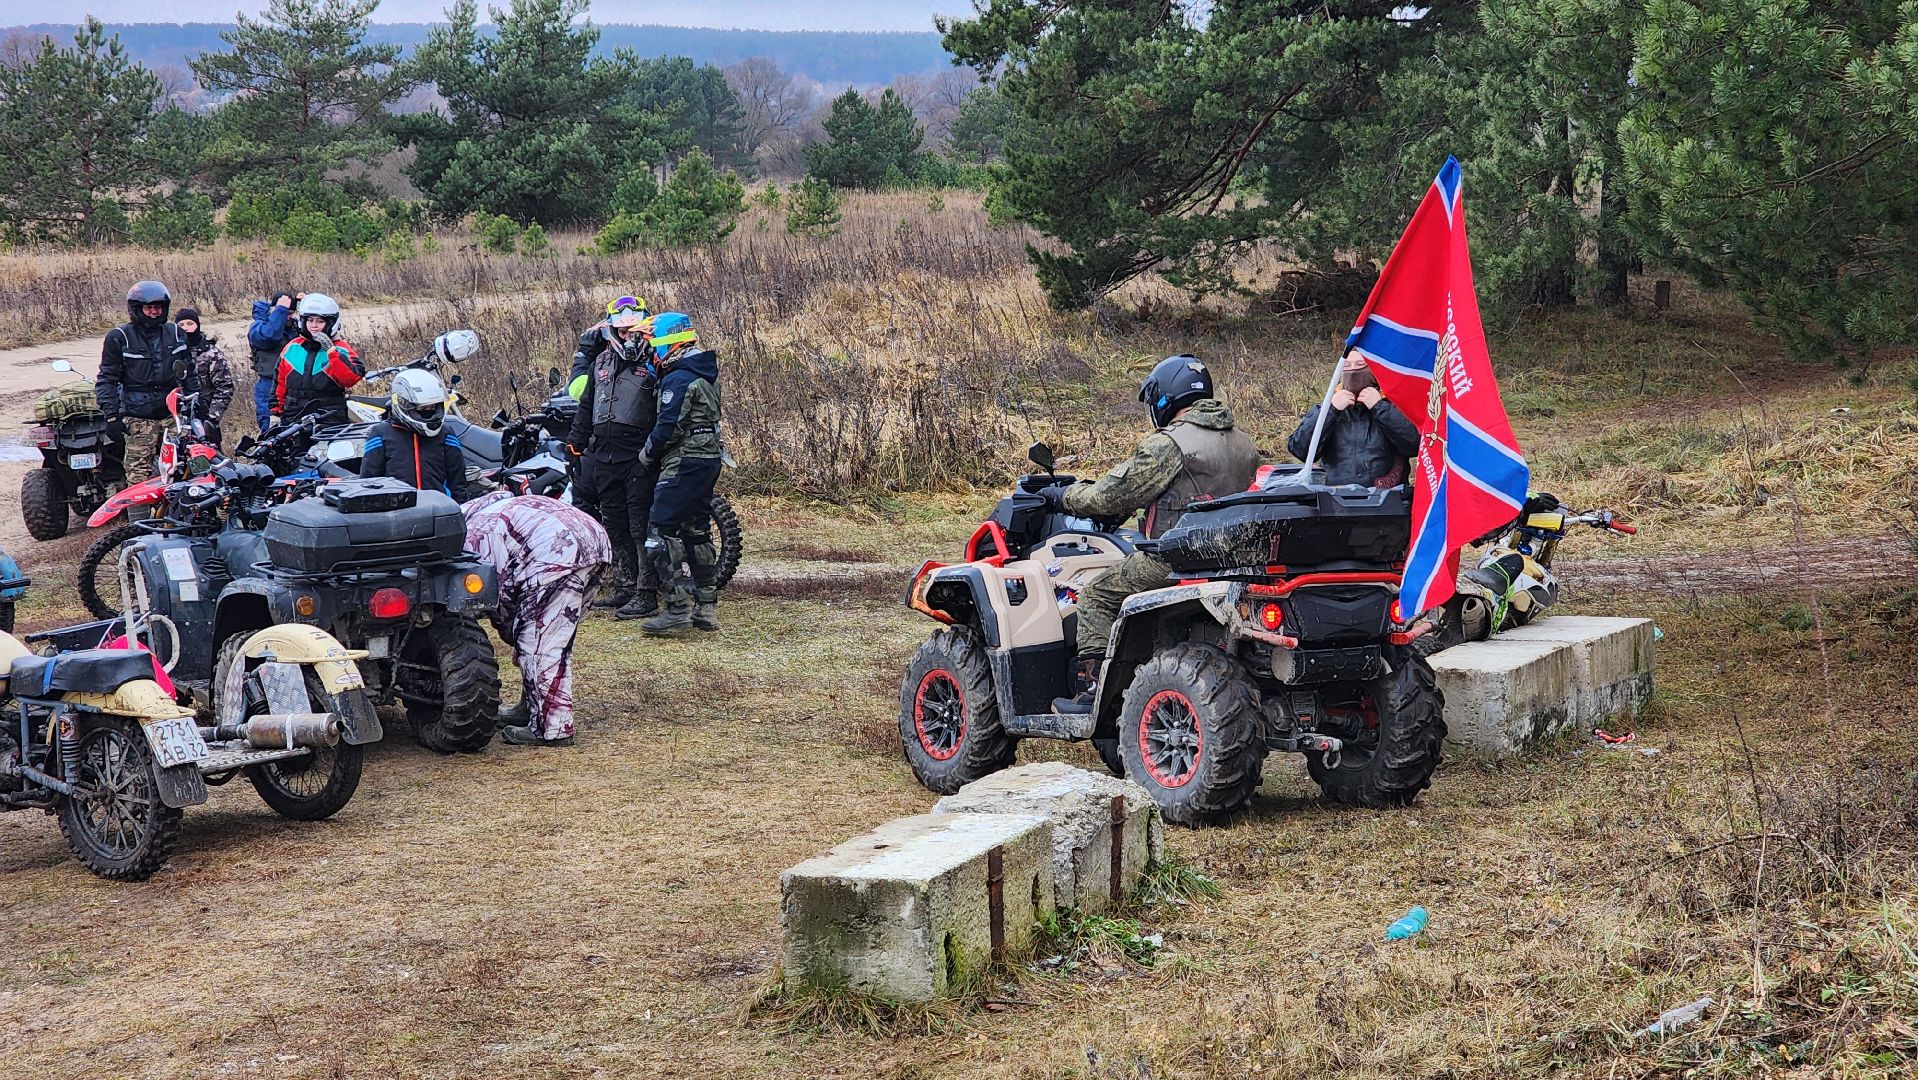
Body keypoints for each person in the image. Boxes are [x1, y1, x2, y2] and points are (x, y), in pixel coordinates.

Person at [1045, 355, 1260, 713]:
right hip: (1231, 559)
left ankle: (1092, 693)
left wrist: (1063, 496)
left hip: (1175, 560)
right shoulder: (1244, 443)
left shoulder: (1169, 444)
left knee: (1097, 594)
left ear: (1165, 398)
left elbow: (1112, 494)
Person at [461, 491, 612, 747]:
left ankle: (551, 729)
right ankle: (531, 708)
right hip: (593, 539)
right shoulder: (493, 509)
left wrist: (512, 633)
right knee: (546, 636)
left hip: (555, 552)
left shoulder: (473, 535)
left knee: (538, 640)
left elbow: (500, 593)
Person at [566, 308, 662, 619]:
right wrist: (575, 445)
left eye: (633, 330)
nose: (628, 336)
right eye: (622, 331)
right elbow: (586, 405)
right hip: (603, 454)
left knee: (639, 525)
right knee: (614, 524)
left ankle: (646, 592)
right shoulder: (600, 362)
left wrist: (654, 450)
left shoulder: (654, 361)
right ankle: (624, 585)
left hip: (637, 456)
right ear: (612, 332)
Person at [636, 313, 726, 635]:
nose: (650, 352)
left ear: (668, 343)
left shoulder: (678, 378)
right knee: (696, 529)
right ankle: (706, 607)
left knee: (659, 531)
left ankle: (677, 609)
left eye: (652, 345)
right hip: (708, 457)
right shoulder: (704, 371)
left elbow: (668, 427)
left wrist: (646, 455)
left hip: (683, 460)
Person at [96, 280, 189, 486]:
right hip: (138, 418)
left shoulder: (176, 333)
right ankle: (140, 509)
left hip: (172, 416)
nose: (154, 312)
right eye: (149, 308)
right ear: (137, 309)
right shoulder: (119, 338)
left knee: (184, 471)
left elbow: (188, 373)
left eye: (158, 307)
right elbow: (107, 380)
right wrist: (111, 416)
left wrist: (198, 407)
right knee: (138, 477)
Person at [1286, 349, 1420, 488]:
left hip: (1389, 496)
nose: (1353, 370)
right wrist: (1331, 410)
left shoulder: (1394, 406)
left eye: (1360, 364)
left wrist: (1379, 407)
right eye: (1347, 366)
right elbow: (1300, 450)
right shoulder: (1325, 408)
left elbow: (1414, 445)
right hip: (1335, 496)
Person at [359, 369, 478, 502]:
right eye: (422, 408)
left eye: (433, 407)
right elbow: (369, 483)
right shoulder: (381, 434)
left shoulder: (446, 434)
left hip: (440, 509)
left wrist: (461, 508)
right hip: (397, 511)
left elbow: (458, 483)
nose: (429, 411)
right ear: (403, 403)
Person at [272, 293, 364, 426]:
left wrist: (330, 350)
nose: (314, 325)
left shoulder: (340, 348)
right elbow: (279, 384)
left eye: (320, 321)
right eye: (310, 320)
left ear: (330, 323)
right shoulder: (292, 347)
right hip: (294, 415)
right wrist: (275, 414)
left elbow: (350, 378)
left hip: (329, 416)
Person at [173, 307, 235, 450]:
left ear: (198, 325)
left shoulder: (211, 353)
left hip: (204, 416)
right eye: (181, 325)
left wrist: (211, 418)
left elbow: (224, 388)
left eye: (190, 324)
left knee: (209, 456)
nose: (186, 328)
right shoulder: (171, 353)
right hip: (175, 420)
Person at [247, 291, 301, 431]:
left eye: (292, 313)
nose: (290, 317)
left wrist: (308, 304)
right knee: (271, 430)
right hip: (269, 386)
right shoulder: (258, 327)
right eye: (287, 313)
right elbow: (269, 337)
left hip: (294, 385)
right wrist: (281, 311)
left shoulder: (293, 326)